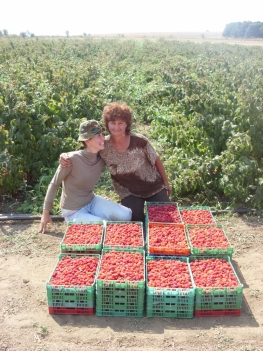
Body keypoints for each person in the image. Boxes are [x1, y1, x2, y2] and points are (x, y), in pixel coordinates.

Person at [60, 102, 172, 222]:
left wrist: (165, 183)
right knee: (134, 219)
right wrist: (65, 156)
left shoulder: (140, 141)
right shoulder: (103, 145)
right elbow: (84, 152)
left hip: (152, 185)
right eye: (113, 123)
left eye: (120, 123)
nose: (116, 127)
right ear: (107, 124)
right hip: (128, 191)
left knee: (164, 217)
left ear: (126, 124)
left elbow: (156, 159)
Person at [38, 119, 132, 234]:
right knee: (105, 227)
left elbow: (121, 152)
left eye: (102, 134)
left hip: (91, 201)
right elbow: (54, 184)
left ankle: (92, 216)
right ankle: (75, 221)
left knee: (126, 215)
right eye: (98, 136)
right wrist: (45, 213)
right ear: (87, 141)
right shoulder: (70, 160)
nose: (103, 139)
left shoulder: (101, 156)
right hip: (73, 211)